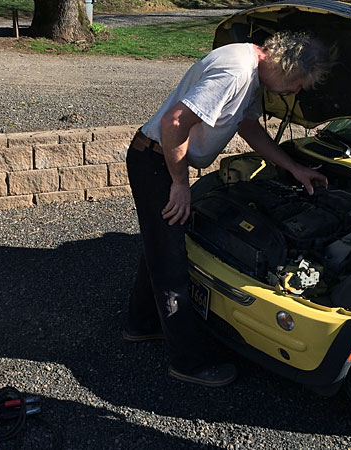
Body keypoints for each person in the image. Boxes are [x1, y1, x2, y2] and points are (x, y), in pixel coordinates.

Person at [124, 30, 334, 387]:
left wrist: (294, 168)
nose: (296, 92)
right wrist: (179, 184)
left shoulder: (250, 71)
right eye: (299, 83)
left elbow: (249, 128)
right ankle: (187, 363)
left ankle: (141, 323)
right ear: (286, 66)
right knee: (172, 264)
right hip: (157, 161)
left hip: (160, 159)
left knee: (162, 245)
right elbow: (174, 122)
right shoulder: (236, 70)